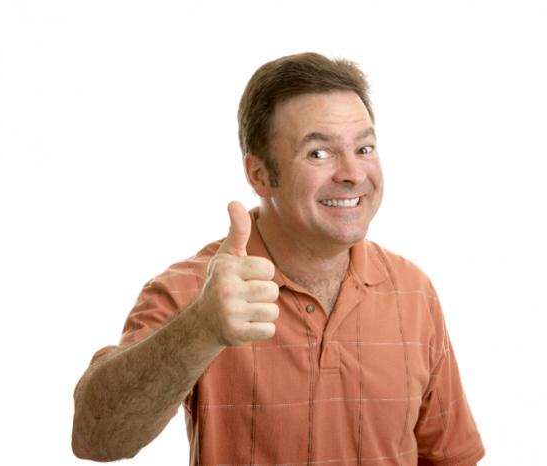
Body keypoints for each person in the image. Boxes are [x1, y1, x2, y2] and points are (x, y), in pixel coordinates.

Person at [71, 52, 485, 465]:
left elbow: (451, 457)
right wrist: (201, 329)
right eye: (319, 154)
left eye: (364, 148)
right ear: (259, 176)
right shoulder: (197, 292)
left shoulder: (413, 290)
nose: (354, 174)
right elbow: (97, 439)